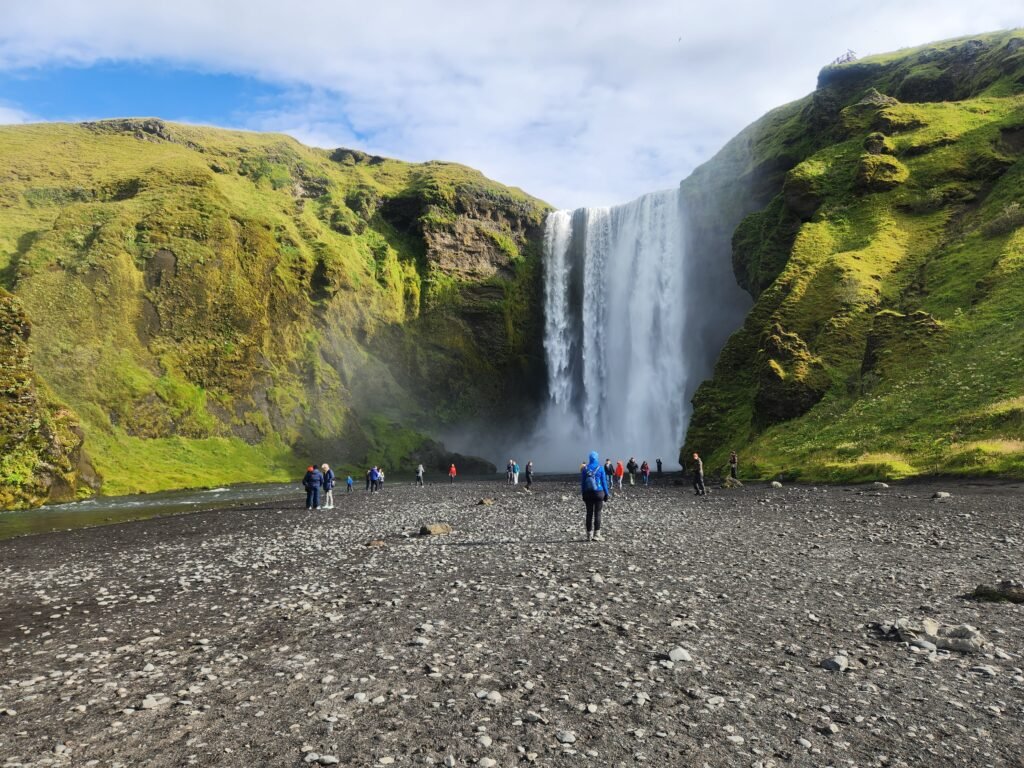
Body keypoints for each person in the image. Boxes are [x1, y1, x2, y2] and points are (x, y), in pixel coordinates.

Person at [580, 450, 611, 542]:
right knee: (597, 513)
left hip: (588, 493)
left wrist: (583, 493)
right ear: (597, 458)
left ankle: (588, 535)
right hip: (599, 493)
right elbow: (604, 482)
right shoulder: (600, 468)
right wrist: (606, 493)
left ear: (590, 458)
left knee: (589, 513)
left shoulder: (585, 469)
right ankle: (597, 535)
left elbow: (582, 483)